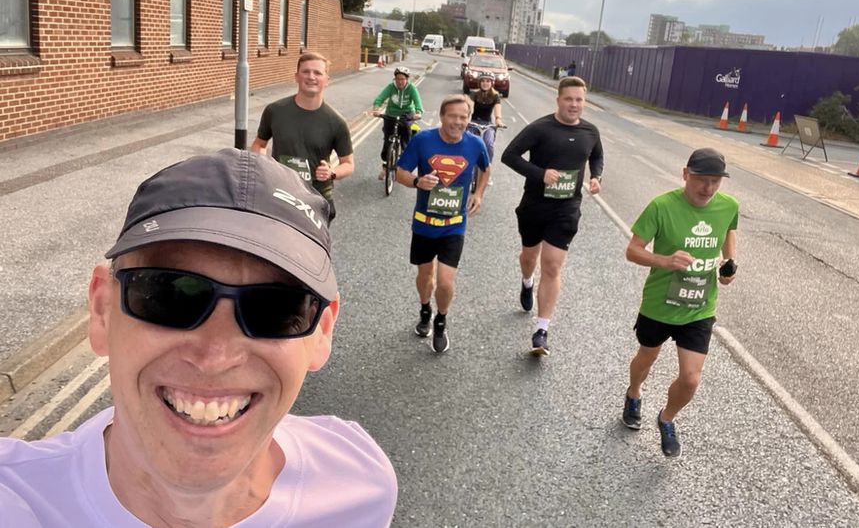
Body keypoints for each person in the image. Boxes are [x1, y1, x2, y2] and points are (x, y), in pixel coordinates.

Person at [0, 149, 398, 526]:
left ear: (322, 332)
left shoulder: (361, 487)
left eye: (276, 309)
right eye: (169, 295)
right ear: (102, 310)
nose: (215, 355)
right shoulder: (15, 502)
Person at [620, 147, 739, 458]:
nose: (708, 188)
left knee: (691, 378)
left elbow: (729, 231)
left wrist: (729, 265)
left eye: (715, 181)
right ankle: (634, 393)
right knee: (646, 359)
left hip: (699, 306)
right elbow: (633, 251)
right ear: (686, 174)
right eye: (701, 179)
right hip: (659, 304)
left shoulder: (728, 206)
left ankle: (667, 418)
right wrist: (665, 260)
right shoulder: (661, 207)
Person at [500, 76, 603, 356]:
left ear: (585, 102)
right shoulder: (540, 128)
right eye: (568, 99)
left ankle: (541, 330)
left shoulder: (590, 132)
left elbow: (595, 156)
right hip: (535, 205)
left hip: (566, 209)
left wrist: (597, 176)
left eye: (579, 99)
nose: (574, 104)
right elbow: (509, 156)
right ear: (558, 100)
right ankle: (526, 282)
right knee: (529, 258)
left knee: (553, 265)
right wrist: (540, 174)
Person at [395, 95, 491, 353]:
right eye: (453, 116)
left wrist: (478, 193)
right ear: (442, 116)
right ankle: (425, 309)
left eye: (463, 117)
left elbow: (486, 168)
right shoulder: (423, 141)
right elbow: (400, 172)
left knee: (446, 281)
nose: (458, 122)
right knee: (425, 277)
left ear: (469, 119)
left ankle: (440, 320)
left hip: (454, 224)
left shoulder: (475, 144)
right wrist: (417, 182)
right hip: (424, 223)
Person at [251, 52, 354, 224]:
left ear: (327, 80)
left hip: (316, 197)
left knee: (310, 250)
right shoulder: (275, 111)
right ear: (296, 77)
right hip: (281, 192)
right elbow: (259, 144)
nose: (311, 77)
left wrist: (332, 172)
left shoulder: (336, 122)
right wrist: (262, 165)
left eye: (317, 73)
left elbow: (348, 164)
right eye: (306, 72)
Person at [373, 66, 424, 180]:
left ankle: (403, 165)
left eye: (402, 79)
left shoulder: (411, 88)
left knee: (406, 137)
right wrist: (376, 107)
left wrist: (418, 112)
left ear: (407, 80)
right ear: (395, 79)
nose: (400, 81)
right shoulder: (391, 87)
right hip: (391, 114)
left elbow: (417, 102)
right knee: (387, 142)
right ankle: (385, 167)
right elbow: (380, 97)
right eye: (398, 79)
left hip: (406, 114)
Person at [468, 72, 505, 162]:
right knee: (470, 143)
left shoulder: (495, 96)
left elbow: (497, 110)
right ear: (479, 83)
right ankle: (468, 164)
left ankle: (487, 166)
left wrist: (498, 120)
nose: (485, 83)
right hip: (473, 122)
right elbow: (470, 108)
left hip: (487, 124)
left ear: (492, 83)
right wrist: (467, 119)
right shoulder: (474, 94)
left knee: (489, 144)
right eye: (483, 81)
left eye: (488, 81)